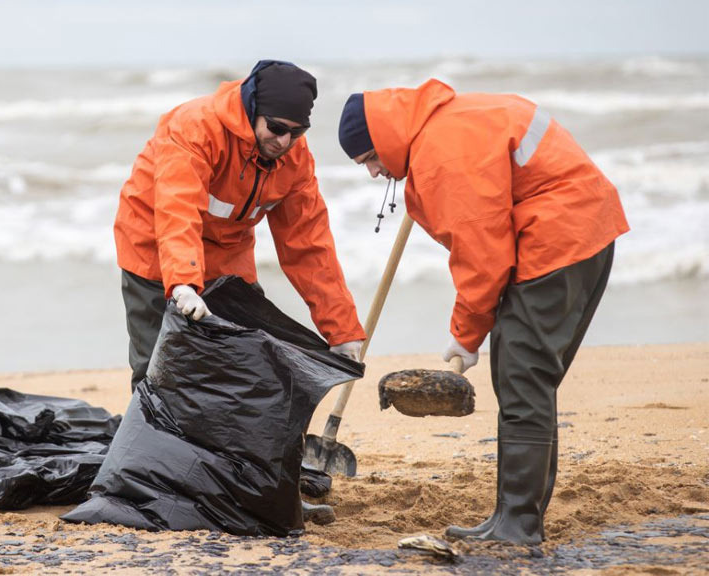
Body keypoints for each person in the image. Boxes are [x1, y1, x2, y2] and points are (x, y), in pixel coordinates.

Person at [337, 79, 629, 545]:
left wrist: (465, 336)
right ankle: (515, 516)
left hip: (559, 239)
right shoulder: (441, 129)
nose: (373, 172)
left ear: (386, 140)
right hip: (577, 230)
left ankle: (518, 523)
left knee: (522, 376)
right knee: (526, 377)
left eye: (370, 159)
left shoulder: (443, 153)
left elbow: (482, 255)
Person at [114, 60, 367, 391]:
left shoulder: (294, 157)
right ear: (252, 109)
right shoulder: (195, 127)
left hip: (228, 257)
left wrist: (342, 331)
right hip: (154, 249)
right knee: (158, 368)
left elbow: (308, 245)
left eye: (297, 132)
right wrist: (183, 281)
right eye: (276, 128)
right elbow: (178, 208)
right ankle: (151, 441)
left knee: (244, 364)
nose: (284, 141)